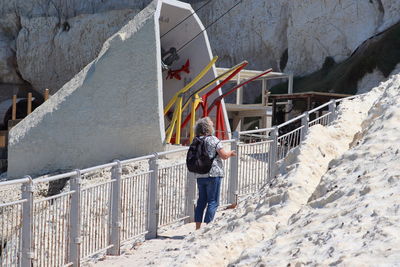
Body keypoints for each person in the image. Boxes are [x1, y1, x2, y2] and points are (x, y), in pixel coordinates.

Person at [192, 117, 236, 230]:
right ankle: (207, 227)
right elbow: (224, 156)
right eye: (212, 125)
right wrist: (231, 153)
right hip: (213, 174)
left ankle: (197, 228)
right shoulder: (213, 140)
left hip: (200, 174)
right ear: (208, 128)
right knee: (213, 201)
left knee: (201, 201)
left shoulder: (196, 140)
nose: (214, 127)